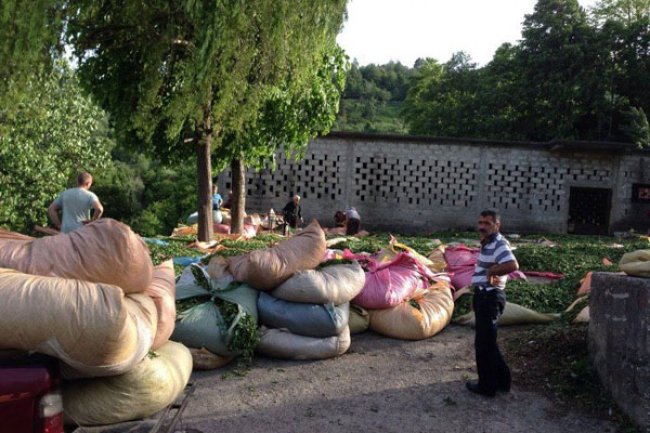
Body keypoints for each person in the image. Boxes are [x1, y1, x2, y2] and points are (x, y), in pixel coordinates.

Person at [466, 209, 518, 397]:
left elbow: (512, 265)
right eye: (480, 223)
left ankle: (486, 387)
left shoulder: (498, 244)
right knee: (489, 342)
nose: (482, 227)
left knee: (483, 344)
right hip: (485, 294)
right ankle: (503, 381)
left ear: (497, 225)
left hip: (490, 297)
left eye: (487, 223)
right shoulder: (487, 242)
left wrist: (492, 272)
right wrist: (478, 292)